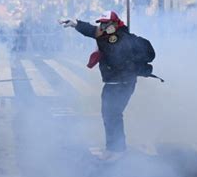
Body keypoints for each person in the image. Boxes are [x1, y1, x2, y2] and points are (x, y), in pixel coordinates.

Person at [61, 11, 155, 162]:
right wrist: (77, 24)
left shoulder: (118, 38)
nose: (103, 26)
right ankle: (113, 148)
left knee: (112, 115)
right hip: (114, 83)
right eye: (101, 23)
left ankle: (117, 150)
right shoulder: (109, 36)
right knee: (109, 115)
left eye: (106, 23)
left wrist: (95, 35)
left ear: (115, 24)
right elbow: (94, 32)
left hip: (122, 83)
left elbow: (108, 47)